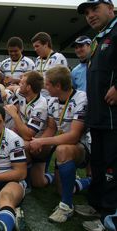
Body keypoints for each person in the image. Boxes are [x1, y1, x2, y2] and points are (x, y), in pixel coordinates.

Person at [29, 66, 91, 223]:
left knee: (62, 150)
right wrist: (38, 144)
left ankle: (66, 207)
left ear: (58, 86)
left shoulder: (81, 98)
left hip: (84, 147)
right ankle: (90, 182)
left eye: (48, 84)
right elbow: (51, 128)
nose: (45, 87)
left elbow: (74, 136)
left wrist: (42, 141)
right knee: (61, 189)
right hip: (64, 144)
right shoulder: (52, 101)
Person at [77, 0, 117, 230]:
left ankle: (109, 216)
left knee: (112, 166)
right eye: (87, 12)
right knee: (99, 162)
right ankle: (97, 204)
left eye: (95, 9)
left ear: (111, 8)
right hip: (99, 116)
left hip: (113, 117)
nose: (90, 15)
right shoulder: (98, 39)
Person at [4, 71, 49, 190]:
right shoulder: (23, 93)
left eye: (22, 83)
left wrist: (15, 115)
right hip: (29, 142)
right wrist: (2, 89)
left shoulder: (41, 106)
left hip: (39, 144)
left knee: (19, 144)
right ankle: (49, 176)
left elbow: (29, 135)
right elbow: (12, 88)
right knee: (39, 183)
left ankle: (22, 181)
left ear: (29, 87)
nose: (19, 84)